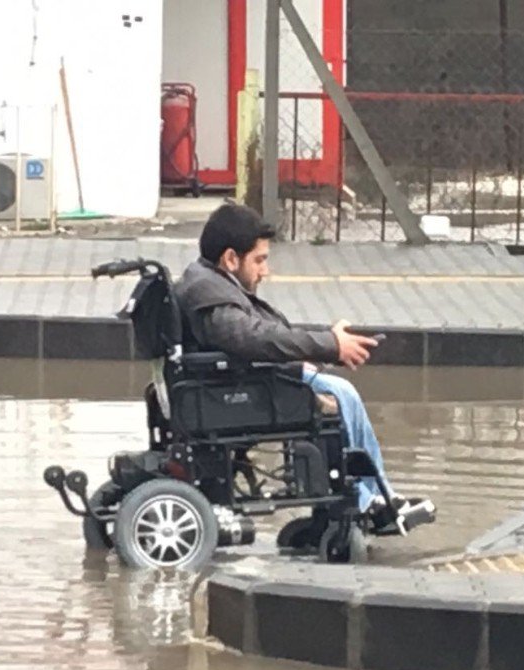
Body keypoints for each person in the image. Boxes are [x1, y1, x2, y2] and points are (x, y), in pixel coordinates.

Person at [174, 203, 418, 529]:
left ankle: (373, 492)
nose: (265, 271)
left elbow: (264, 336)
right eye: (259, 260)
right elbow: (254, 338)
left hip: (237, 379)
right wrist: (330, 345)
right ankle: (367, 499)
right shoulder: (209, 295)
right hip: (236, 388)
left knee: (337, 390)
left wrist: (326, 342)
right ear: (231, 259)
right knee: (339, 391)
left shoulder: (208, 283)